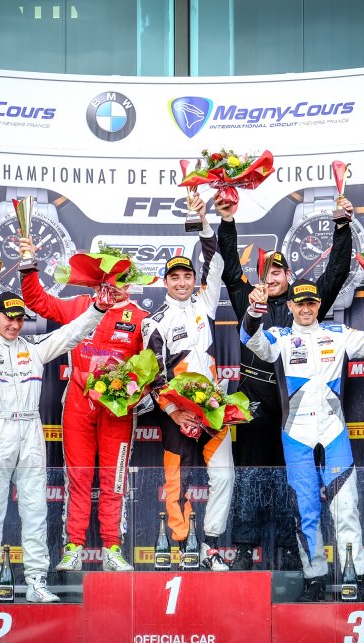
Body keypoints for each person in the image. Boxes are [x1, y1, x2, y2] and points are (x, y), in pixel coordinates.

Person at [216, 195, 357, 570]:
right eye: (267, 272)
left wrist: (342, 228)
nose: (272, 277)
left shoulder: (302, 305)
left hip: (293, 406)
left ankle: (291, 546)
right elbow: (229, 267)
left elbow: (336, 272)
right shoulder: (249, 299)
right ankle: (244, 547)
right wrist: (227, 223)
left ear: (289, 277)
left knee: (294, 479)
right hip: (253, 400)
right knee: (249, 475)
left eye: (278, 271)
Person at [242, 280, 364, 601]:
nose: (306, 309)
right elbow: (250, 339)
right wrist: (254, 310)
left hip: (334, 432)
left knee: (346, 508)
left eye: (311, 303)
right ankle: (315, 577)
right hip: (297, 435)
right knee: (305, 511)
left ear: (319, 305)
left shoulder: (339, 334)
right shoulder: (279, 337)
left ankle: (355, 576)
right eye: (300, 304)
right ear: (290, 306)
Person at [0, 291, 107, 601]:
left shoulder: (33, 348)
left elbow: (72, 333)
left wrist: (97, 308)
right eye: (8, 317)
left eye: (19, 319)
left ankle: (37, 581)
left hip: (30, 428)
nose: (14, 324)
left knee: (35, 510)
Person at [19, 237, 150, 572]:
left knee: (114, 479)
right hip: (79, 401)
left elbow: (152, 366)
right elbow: (36, 300)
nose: (114, 287)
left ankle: (112, 548)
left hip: (118, 409)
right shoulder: (79, 306)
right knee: (78, 477)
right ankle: (73, 546)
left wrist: (139, 392)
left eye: (121, 280)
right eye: (109, 279)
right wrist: (28, 265)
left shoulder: (141, 318)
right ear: (98, 279)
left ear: (129, 282)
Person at [142, 194, 233, 571]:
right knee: (176, 483)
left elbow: (216, 262)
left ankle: (210, 544)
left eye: (187, 276)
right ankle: (183, 545)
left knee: (225, 476)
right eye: (175, 277)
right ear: (165, 281)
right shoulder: (154, 322)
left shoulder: (205, 304)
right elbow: (152, 378)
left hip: (213, 409)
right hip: (177, 414)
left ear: (194, 280)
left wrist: (204, 221)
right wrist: (174, 412)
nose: (182, 282)